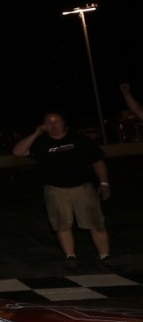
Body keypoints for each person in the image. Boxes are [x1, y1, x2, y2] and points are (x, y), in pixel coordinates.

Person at [12, 111, 112, 271]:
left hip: (83, 188)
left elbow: (98, 161)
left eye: (56, 121)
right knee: (62, 225)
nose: (53, 125)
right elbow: (17, 151)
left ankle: (105, 256)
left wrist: (104, 183)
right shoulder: (41, 143)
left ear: (64, 123)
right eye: (49, 122)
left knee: (96, 223)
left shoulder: (79, 139)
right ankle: (70, 256)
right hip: (55, 190)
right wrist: (36, 133)